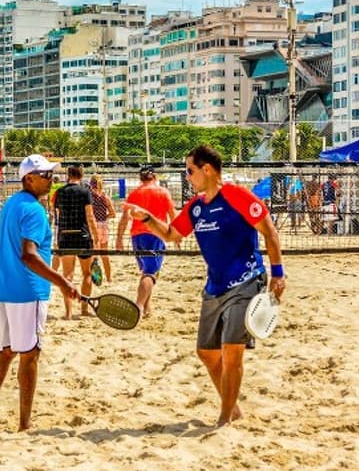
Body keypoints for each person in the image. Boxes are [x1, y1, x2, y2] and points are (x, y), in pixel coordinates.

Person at [122, 145, 285, 427]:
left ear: (206, 169)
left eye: (190, 170)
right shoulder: (196, 206)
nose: (187, 176)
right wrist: (147, 218)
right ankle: (232, 409)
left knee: (231, 350)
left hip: (247, 280)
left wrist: (278, 273)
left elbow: (269, 230)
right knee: (207, 353)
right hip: (215, 286)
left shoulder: (237, 195)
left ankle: (224, 419)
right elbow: (172, 235)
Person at [0, 154, 81, 432]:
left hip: (4, 287)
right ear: (29, 178)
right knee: (30, 353)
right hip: (28, 290)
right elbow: (29, 255)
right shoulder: (34, 209)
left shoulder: (11, 204)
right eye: (46, 175)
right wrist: (63, 282)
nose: (51, 179)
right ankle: (25, 424)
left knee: (7, 350)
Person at [115, 165, 177, 318]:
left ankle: (148, 307)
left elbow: (124, 218)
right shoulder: (163, 192)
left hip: (137, 236)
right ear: (155, 177)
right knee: (150, 273)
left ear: (140, 178)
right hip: (156, 234)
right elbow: (172, 215)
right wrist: (176, 235)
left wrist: (119, 238)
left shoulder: (134, 193)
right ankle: (139, 306)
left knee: (148, 272)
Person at [54, 165, 99, 319]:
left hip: (65, 236)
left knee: (67, 276)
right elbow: (90, 216)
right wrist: (96, 237)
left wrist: (57, 238)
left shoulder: (60, 192)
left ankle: (68, 313)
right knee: (87, 274)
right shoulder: (85, 191)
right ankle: (84, 309)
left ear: (68, 175)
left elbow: (58, 218)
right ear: (81, 175)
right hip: (83, 236)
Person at [88, 174, 116, 283]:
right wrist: (104, 217)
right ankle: (109, 278)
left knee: (93, 254)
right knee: (105, 254)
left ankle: (94, 278)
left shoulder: (88, 197)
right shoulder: (105, 197)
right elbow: (113, 214)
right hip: (103, 225)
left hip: (92, 225)